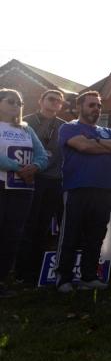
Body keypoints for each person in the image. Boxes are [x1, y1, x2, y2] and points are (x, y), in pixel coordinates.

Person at [56, 91, 111, 293]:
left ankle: (88, 277)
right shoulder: (69, 127)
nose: (96, 109)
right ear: (79, 107)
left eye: (99, 106)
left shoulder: (108, 131)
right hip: (76, 188)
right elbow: (83, 147)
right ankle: (63, 278)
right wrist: (105, 147)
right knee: (70, 234)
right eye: (91, 105)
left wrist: (95, 141)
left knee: (96, 236)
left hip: (104, 189)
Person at [0, 89, 48, 297]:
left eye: (19, 103)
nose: (16, 106)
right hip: (1, 185)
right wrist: (18, 168)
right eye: (10, 101)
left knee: (12, 235)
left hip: (22, 189)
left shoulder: (26, 129)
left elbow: (42, 155)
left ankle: (2, 280)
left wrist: (35, 167)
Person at [16, 89, 66, 285]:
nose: (55, 103)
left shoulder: (63, 126)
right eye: (51, 99)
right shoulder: (25, 122)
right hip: (30, 178)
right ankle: (20, 271)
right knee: (27, 224)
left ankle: (36, 271)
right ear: (41, 101)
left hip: (53, 180)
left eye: (59, 101)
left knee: (43, 226)